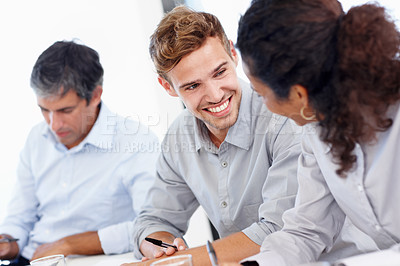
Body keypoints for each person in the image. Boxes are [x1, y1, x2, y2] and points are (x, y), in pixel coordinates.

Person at [125, 5, 302, 266]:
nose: (216, 95)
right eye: (193, 85)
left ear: (232, 53)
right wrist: (160, 249)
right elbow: (152, 222)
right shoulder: (179, 137)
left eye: (220, 72)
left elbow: (279, 231)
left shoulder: (283, 119)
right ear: (168, 87)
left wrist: (177, 263)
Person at [236, 0, 400, 265]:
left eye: (261, 94)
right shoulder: (317, 129)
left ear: (299, 94)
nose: (262, 105)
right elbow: (306, 229)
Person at [0, 41, 159, 265]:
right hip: (31, 259)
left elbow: (154, 226)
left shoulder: (136, 142)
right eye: (44, 110)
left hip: (93, 260)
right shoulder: (37, 138)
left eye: (65, 110)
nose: (54, 125)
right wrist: (7, 241)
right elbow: (20, 217)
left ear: (95, 95)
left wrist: (69, 244)